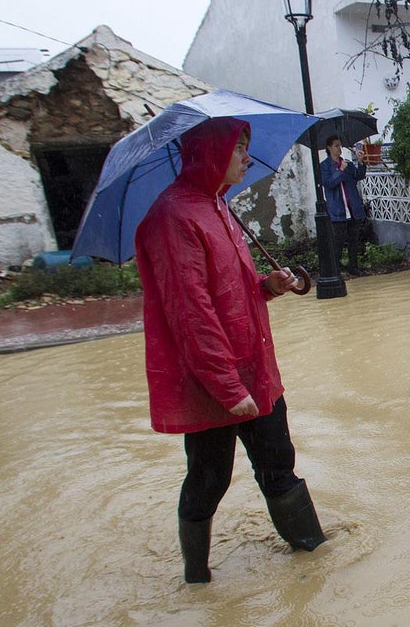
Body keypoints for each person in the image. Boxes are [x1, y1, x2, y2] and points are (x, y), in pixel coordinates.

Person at [135, 117, 327, 584]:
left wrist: (268, 285)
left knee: (279, 464)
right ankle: (197, 579)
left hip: (255, 369)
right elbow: (191, 315)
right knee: (209, 479)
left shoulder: (219, 206)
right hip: (214, 383)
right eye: (238, 148)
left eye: (245, 147)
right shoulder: (172, 218)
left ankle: (317, 561)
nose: (245, 157)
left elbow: (231, 292)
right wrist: (227, 387)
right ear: (211, 153)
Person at [320, 134, 370, 276]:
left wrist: (360, 162)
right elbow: (329, 183)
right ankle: (335, 269)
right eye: (336, 146)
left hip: (352, 207)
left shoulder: (346, 163)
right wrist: (339, 170)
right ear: (329, 148)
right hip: (338, 209)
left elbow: (358, 176)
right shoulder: (324, 166)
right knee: (338, 241)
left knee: (354, 239)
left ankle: (353, 266)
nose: (339, 148)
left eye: (340, 145)